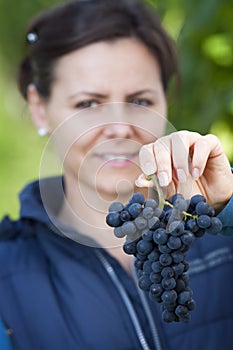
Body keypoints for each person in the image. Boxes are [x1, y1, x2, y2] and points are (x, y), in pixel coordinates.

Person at [0, 0, 233, 349]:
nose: (120, 128)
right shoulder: (8, 276)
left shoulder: (219, 225)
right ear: (39, 108)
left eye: (140, 101)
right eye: (88, 104)